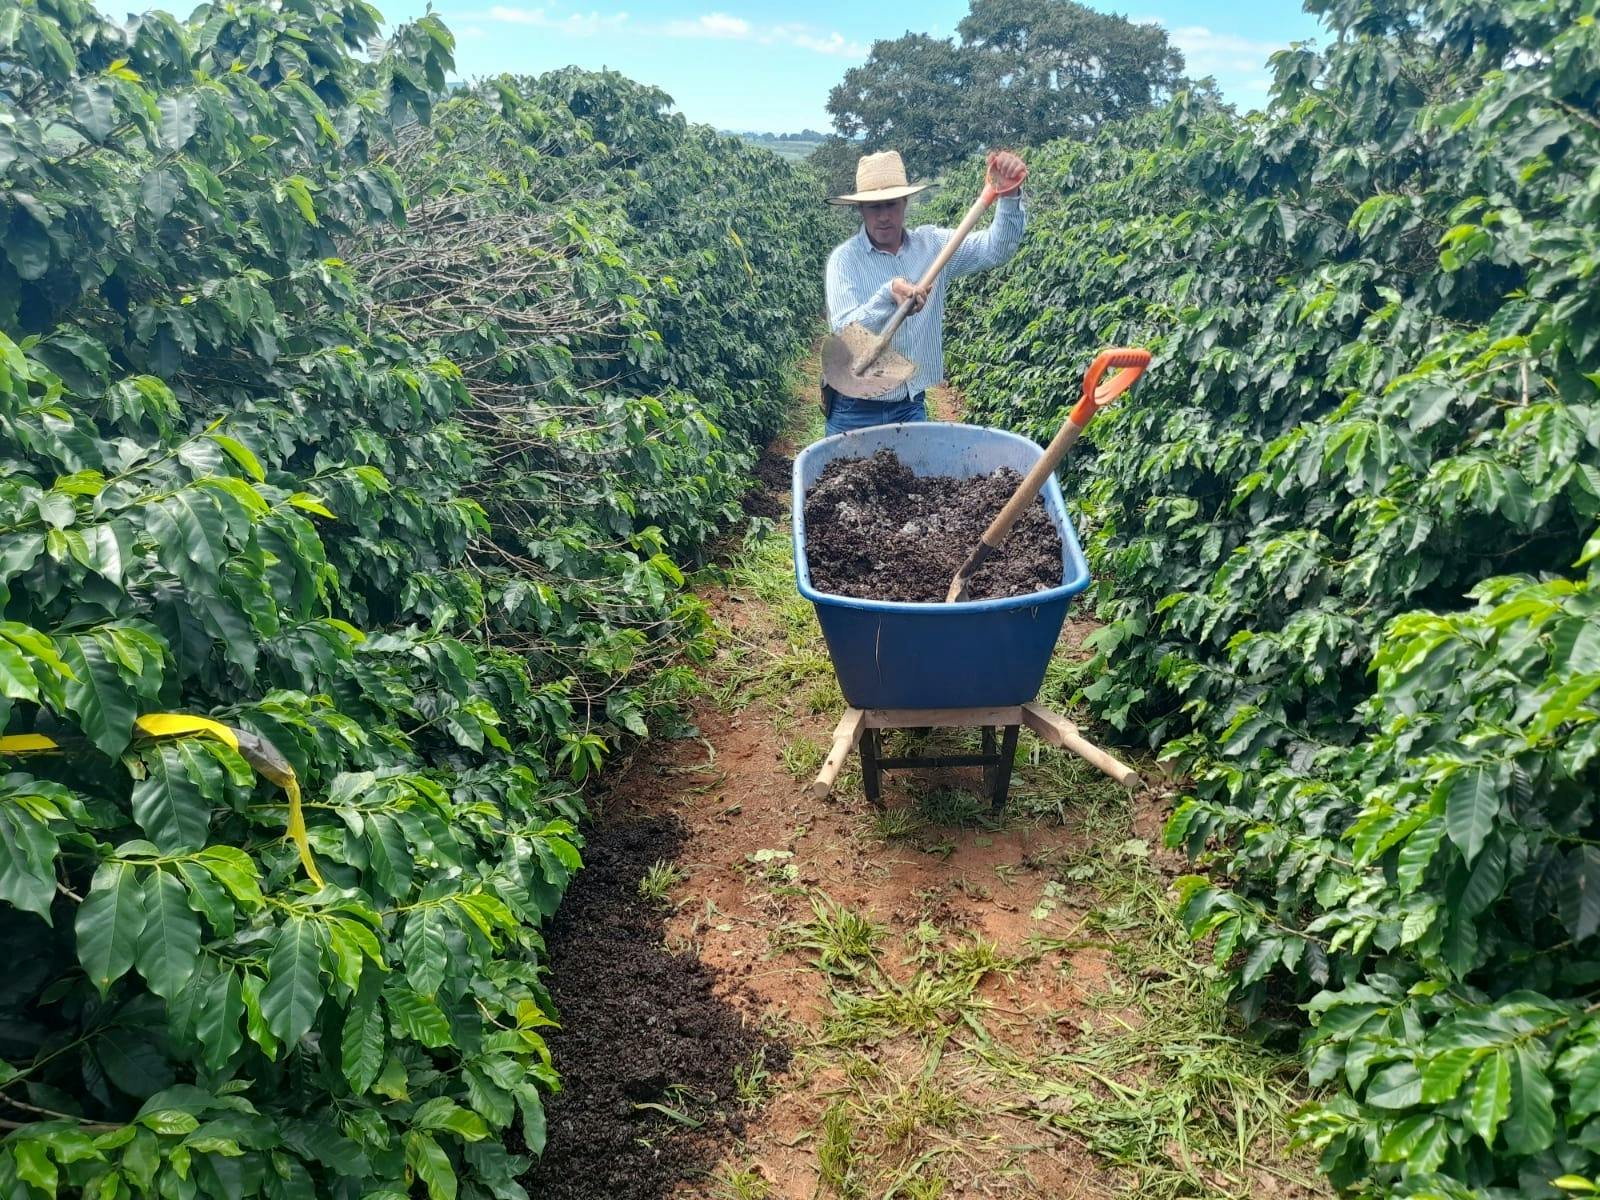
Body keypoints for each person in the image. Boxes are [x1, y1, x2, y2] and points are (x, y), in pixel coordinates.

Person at [822, 148, 1027, 436]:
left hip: (909, 403)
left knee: (914, 480)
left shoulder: (934, 246)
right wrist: (888, 295)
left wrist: (1008, 197)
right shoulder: (844, 260)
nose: (883, 217)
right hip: (853, 408)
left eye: (891, 204)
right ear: (860, 210)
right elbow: (845, 332)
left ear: (905, 203)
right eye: (874, 207)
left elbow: (996, 249)